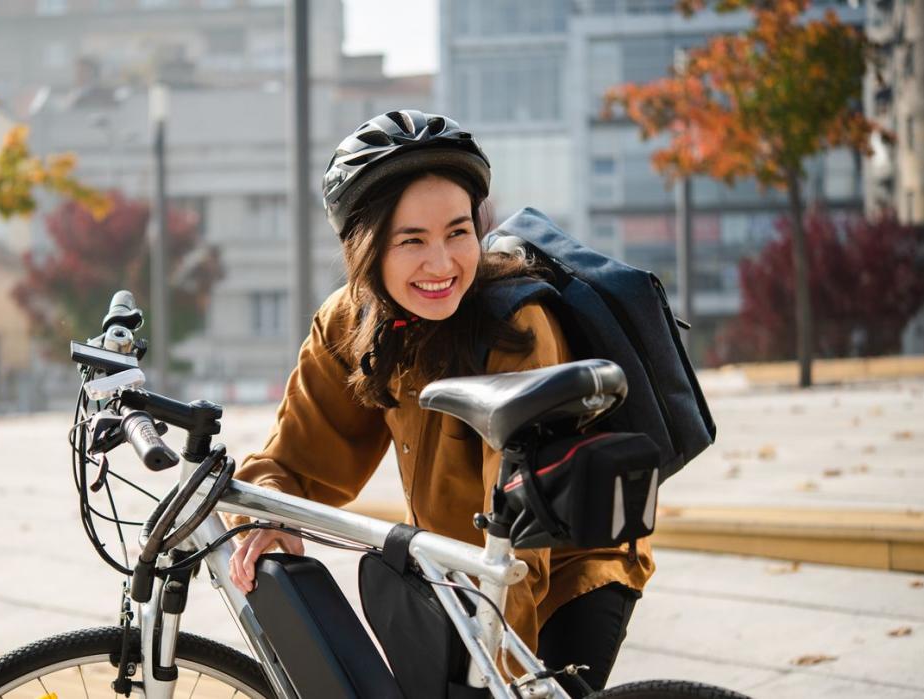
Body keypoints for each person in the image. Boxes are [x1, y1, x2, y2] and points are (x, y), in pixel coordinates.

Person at [228, 109, 653, 692]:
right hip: (456, 571)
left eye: (458, 232)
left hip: (564, 567)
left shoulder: (516, 327)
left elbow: (523, 549)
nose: (442, 263)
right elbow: (296, 462)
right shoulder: (351, 321)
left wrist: (494, 674)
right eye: (412, 241)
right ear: (366, 248)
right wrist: (264, 516)